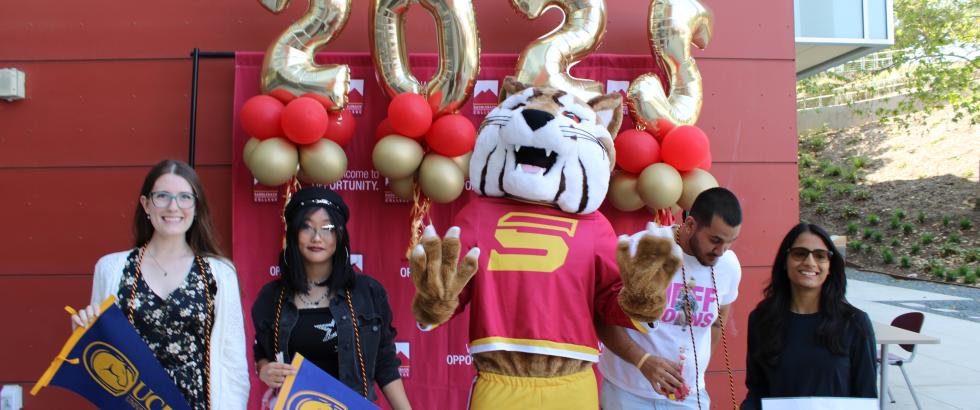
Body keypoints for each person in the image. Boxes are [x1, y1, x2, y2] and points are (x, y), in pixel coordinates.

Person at [70, 159, 250, 409]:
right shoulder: (111, 269)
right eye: (162, 196)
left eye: (185, 197)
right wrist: (82, 334)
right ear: (146, 204)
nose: (173, 206)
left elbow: (233, 364)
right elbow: (101, 356)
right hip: (136, 403)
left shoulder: (220, 273)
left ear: (196, 207)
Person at [250, 186, 412, 410]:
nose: (317, 237)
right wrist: (264, 369)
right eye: (307, 227)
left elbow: (385, 362)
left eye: (327, 228)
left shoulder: (368, 292)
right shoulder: (271, 297)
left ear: (339, 235)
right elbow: (262, 352)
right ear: (294, 233)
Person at [598, 187, 743, 409]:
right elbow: (602, 317)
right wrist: (643, 361)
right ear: (691, 224)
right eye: (715, 240)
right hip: (628, 392)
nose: (721, 251)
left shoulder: (729, 266)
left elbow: (717, 322)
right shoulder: (642, 247)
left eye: (730, 241)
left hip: (688, 395)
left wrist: (696, 369)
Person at [741, 223, 877, 409]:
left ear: (830, 266)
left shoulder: (855, 323)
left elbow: (867, 396)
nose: (810, 262)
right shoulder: (761, 320)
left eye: (820, 256)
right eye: (800, 253)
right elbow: (757, 392)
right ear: (784, 261)